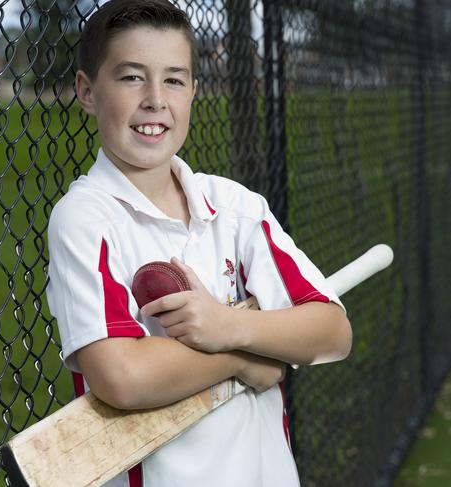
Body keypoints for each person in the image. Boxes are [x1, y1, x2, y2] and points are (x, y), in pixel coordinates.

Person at [45, 0, 352, 485]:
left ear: (193, 90)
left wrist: (225, 323)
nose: (154, 99)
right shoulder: (86, 218)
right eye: (130, 77)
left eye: (173, 79)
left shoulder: (233, 206)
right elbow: (122, 376)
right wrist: (247, 355)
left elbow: (332, 332)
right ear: (87, 91)